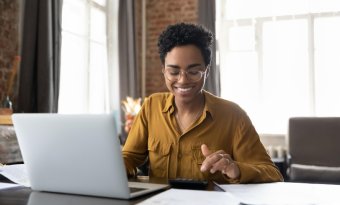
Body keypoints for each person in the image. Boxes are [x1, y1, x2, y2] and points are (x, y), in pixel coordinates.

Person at [122, 22, 283, 183]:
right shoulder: (151, 106)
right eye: (174, 72)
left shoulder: (233, 115)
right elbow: (129, 157)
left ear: (207, 69)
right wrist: (117, 166)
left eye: (194, 72)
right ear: (164, 70)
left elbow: (273, 174)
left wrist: (236, 169)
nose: (183, 80)